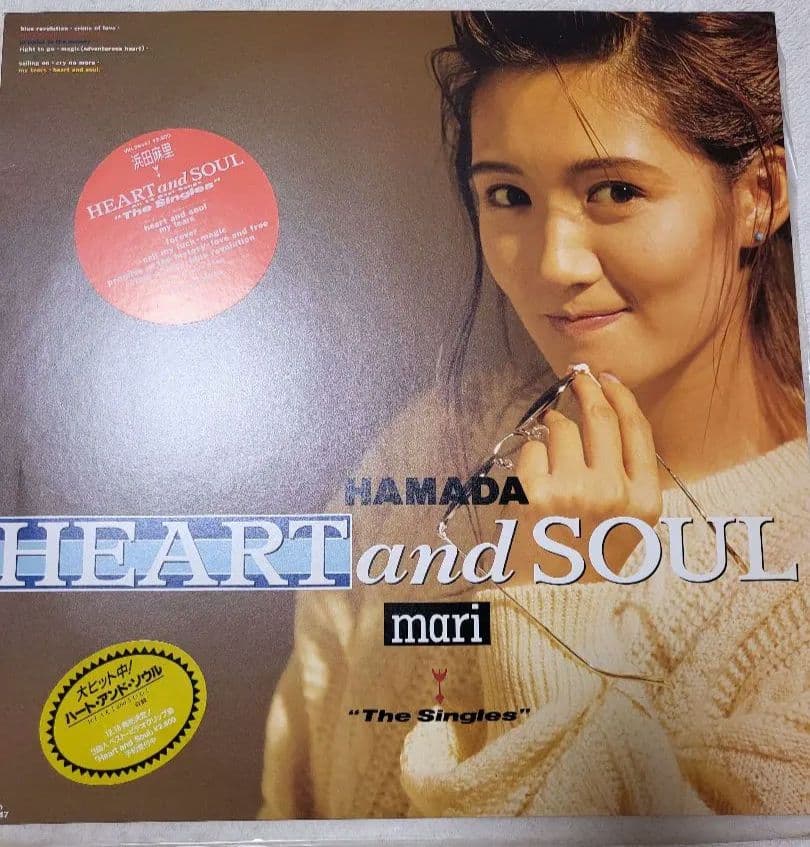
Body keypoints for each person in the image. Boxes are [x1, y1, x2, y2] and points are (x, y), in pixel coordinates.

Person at [259, 11, 810, 818]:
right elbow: (289, 813)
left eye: (615, 191)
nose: (553, 263)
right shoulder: (427, 450)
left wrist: (556, 601)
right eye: (508, 195)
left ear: (761, 195)